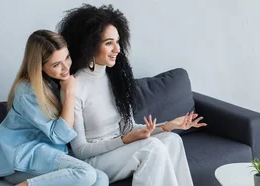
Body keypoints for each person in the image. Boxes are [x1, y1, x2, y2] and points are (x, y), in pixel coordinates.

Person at [57, 4, 206, 185]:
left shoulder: (115, 78)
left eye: (118, 41)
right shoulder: (75, 86)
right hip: (94, 160)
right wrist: (124, 140)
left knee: (172, 140)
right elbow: (80, 150)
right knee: (151, 148)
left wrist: (167, 126)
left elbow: (129, 129)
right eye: (109, 43)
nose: (117, 49)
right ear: (90, 45)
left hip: (119, 148)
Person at [0, 30, 108, 186]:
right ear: (39, 66)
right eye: (56, 64)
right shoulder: (27, 91)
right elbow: (60, 136)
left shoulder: (56, 81)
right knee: (86, 173)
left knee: (101, 178)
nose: (65, 67)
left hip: (47, 155)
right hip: (21, 160)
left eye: (66, 57)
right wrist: (69, 93)